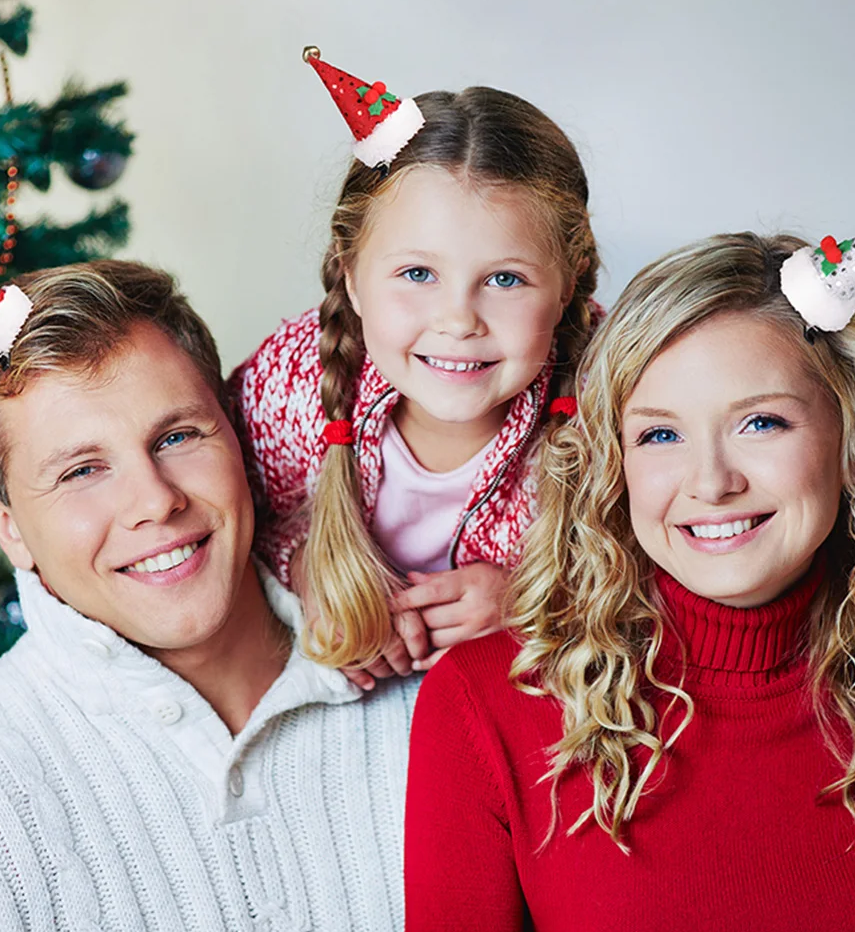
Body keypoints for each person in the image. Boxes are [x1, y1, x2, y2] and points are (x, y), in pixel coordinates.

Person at [405, 214, 855, 932]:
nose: (712, 482)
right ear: (616, 466)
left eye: (761, 423)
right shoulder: (488, 709)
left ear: (850, 440)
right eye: (660, 435)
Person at [0, 260, 419, 932]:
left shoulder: (425, 675)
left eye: (177, 437)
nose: (155, 501)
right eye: (81, 471)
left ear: (236, 434)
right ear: (8, 527)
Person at [233, 49, 600, 688]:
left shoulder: (614, 399)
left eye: (505, 279)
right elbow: (220, 519)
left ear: (566, 286)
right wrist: (304, 582)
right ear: (350, 273)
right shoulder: (287, 385)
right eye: (417, 274)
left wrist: (532, 598)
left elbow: (665, 563)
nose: (458, 321)